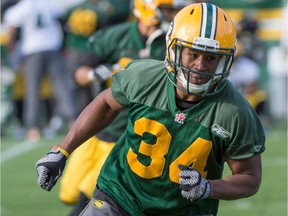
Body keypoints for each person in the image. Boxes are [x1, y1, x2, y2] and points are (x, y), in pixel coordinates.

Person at [36, 3, 266, 216]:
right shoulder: (146, 77)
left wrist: (208, 187)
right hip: (121, 195)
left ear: (225, 61)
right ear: (174, 49)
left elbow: (249, 177)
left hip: (184, 210)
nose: (200, 65)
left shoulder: (235, 111)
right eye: (193, 54)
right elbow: (106, 104)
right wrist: (62, 150)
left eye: (211, 57)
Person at [58, 0, 195, 215]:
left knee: (89, 198)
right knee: (68, 192)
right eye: (167, 9)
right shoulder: (116, 36)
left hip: (132, 137)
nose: (173, 14)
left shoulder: (173, 43)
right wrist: (94, 74)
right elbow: (79, 72)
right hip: (99, 129)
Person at [3, 0, 77, 141]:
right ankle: (72, 120)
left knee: (33, 90)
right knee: (61, 87)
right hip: (52, 47)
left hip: (33, 50)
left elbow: (11, 31)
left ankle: (33, 127)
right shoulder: (49, 4)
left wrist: (11, 50)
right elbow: (63, 23)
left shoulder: (21, 7)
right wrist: (65, 44)